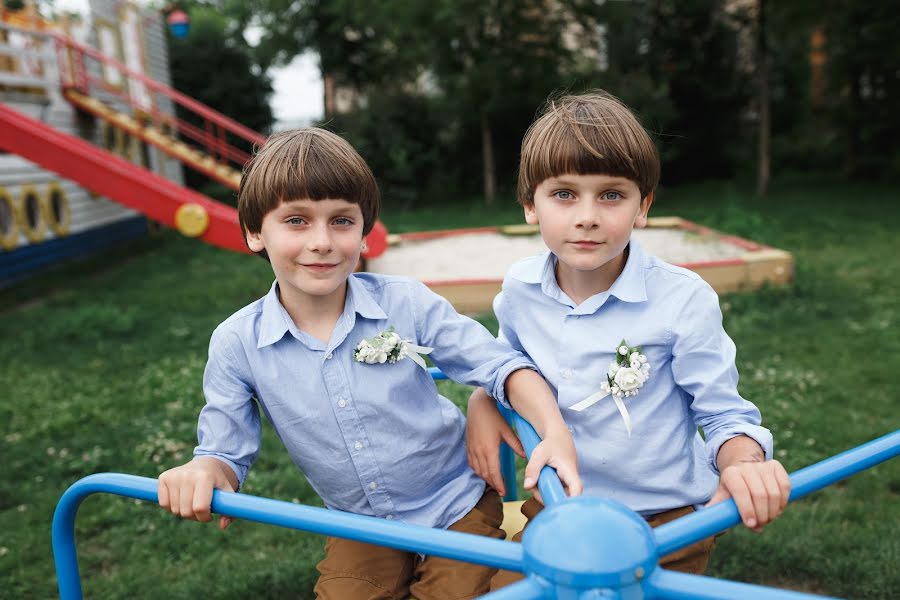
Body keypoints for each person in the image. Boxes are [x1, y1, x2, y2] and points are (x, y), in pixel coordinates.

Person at [156, 128, 581, 600]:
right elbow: (224, 451)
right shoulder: (236, 343)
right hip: (358, 524)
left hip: (454, 503)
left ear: (363, 235)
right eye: (296, 221)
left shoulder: (406, 303)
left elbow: (502, 367)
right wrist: (206, 471)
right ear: (256, 232)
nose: (322, 241)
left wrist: (552, 430)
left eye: (341, 221)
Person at [465, 91, 791, 586]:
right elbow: (507, 366)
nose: (588, 216)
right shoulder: (519, 290)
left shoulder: (682, 300)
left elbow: (723, 413)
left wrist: (745, 464)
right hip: (559, 502)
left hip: (664, 518)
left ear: (644, 207)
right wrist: (480, 400)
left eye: (612, 195)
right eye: (565, 194)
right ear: (530, 204)